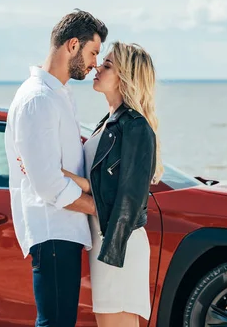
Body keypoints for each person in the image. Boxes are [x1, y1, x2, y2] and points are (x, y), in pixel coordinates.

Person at [5, 9, 108, 327]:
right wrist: (103, 209)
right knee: (55, 323)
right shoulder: (39, 100)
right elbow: (48, 183)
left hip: (63, 230)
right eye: (93, 52)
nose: (94, 64)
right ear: (73, 45)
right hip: (53, 231)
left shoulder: (57, 95)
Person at [62, 41, 163, 327]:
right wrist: (60, 175)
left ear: (126, 77)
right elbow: (104, 187)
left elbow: (130, 197)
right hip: (108, 240)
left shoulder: (135, 126)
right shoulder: (108, 123)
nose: (96, 67)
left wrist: (112, 253)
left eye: (107, 65)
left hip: (118, 242)